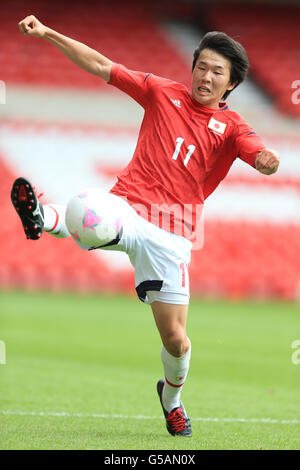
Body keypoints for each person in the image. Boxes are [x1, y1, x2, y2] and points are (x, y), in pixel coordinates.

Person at [13, 15, 280, 437]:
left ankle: (171, 399)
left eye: (217, 72)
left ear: (230, 84)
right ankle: (42, 216)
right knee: (91, 211)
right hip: (127, 207)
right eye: (202, 66)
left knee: (177, 342)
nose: (205, 77)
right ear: (192, 67)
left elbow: (256, 150)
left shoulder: (231, 127)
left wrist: (267, 160)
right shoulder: (161, 91)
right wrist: (47, 32)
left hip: (173, 235)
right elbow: (103, 66)